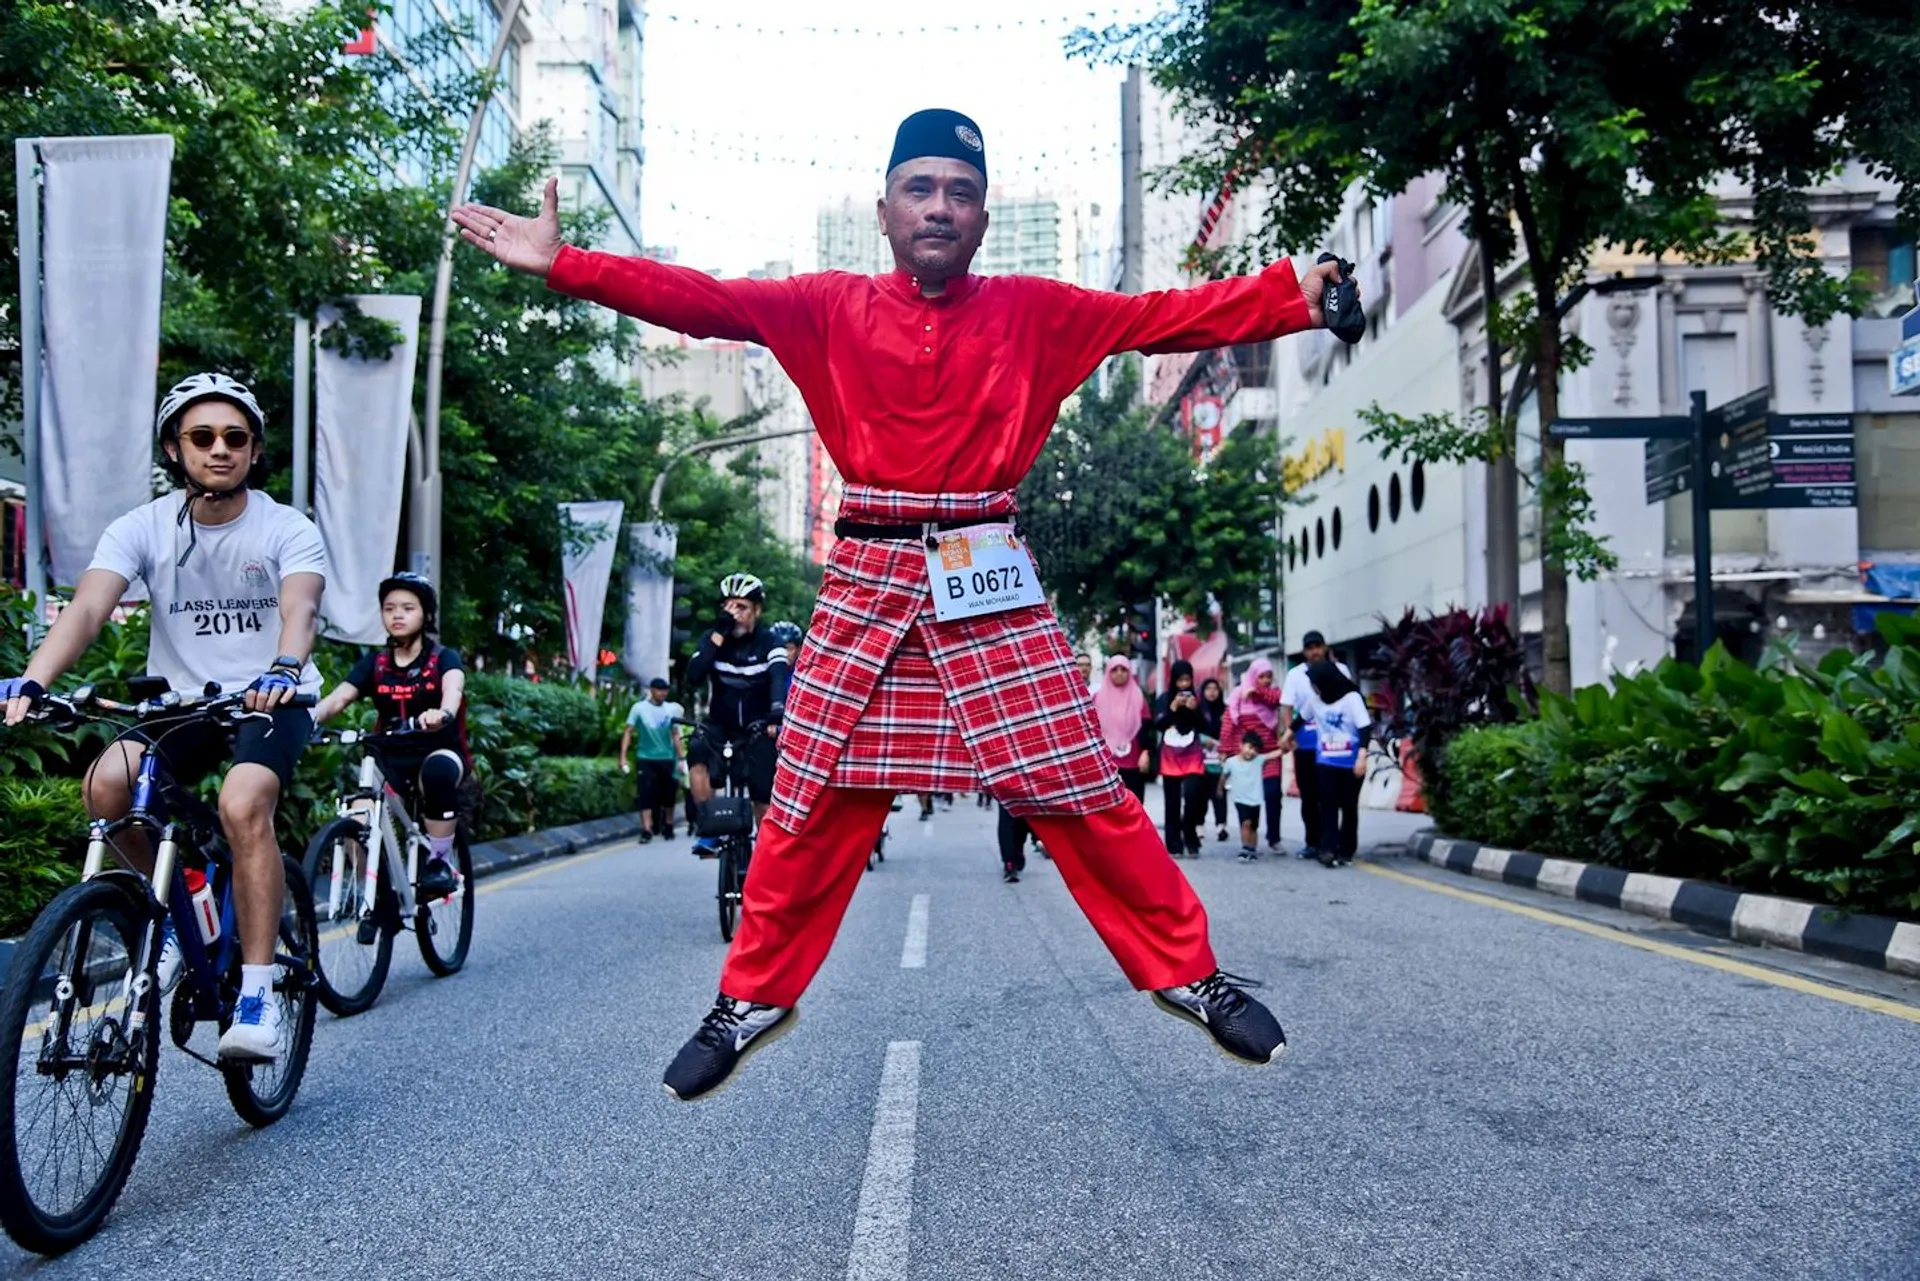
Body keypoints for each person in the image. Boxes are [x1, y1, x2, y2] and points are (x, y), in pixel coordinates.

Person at [454, 106, 1354, 1101]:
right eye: (920, 189)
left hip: (983, 562)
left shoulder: (1039, 310)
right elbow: (700, 298)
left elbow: (1162, 319)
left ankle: (1189, 975)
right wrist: (568, 262)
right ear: (885, 210)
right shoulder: (825, 304)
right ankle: (753, 995)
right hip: (872, 566)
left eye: (961, 193)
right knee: (809, 792)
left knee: (1081, 785)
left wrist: (1293, 296)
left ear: (983, 216)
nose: (940, 207)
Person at [1, 373, 326, 1063]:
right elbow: (88, 609)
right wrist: (34, 679)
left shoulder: (285, 526)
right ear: (174, 450)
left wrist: (285, 667)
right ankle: (193, 907)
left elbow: (300, 609)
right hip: (184, 704)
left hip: (272, 698)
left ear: (254, 450)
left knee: (243, 803)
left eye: (235, 438)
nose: (219, 449)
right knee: (106, 787)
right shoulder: (143, 527)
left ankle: (258, 993)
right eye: (201, 437)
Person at [315, 572, 470, 899]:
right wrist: (305, 719)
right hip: (390, 755)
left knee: (437, 774)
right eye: (389, 608)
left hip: (438, 748)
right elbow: (339, 698)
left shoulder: (444, 658)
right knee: (359, 814)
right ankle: (375, 894)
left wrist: (442, 714)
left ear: (426, 614)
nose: (397, 615)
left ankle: (438, 863)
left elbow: (453, 690)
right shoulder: (376, 663)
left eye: (407, 608)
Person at [685, 573, 790, 854]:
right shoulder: (714, 640)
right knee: (695, 748)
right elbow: (694, 675)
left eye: (741, 607)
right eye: (728, 607)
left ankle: (766, 854)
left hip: (758, 727)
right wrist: (718, 633)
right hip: (721, 725)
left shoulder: (770, 642)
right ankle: (709, 829)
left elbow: (778, 678)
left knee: (762, 794)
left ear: (757, 610)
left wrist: (776, 713)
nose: (734, 614)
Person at [1278, 631, 1353, 860]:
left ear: (1325, 647)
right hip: (1306, 745)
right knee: (1309, 796)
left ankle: (1332, 843)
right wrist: (1292, 735)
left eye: (1318, 647)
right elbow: (1288, 708)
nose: (1314, 652)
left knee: (1332, 796)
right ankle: (1312, 841)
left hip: (1336, 747)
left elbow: (1351, 702)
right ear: (1304, 651)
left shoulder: (1341, 670)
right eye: (1310, 648)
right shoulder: (1295, 675)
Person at [1302, 661, 1371, 867]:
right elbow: (1301, 719)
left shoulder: (1352, 699)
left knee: (1349, 807)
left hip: (1350, 762)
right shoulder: (1315, 701)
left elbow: (1365, 728)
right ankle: (1327, 848)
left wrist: (1362, 756)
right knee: (1328, 806)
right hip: (1326, 761)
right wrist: (1288, 734)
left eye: (1315, 682)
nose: (1313, 687)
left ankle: (1347, 849)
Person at [1219, 659, 1285, 852]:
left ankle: (1274, 838)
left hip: (1269, 755)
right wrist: (1225, 748)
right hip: (1246, 757)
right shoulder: (1239, 694)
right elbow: (1229, 723)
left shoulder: (1273, 693)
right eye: (1261, 676)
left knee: (1273, 794)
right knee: (1246, 799)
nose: (1265, 680)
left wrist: (1257, 693)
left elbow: (1277, 701)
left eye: (1268, 676)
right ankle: (1248, 840)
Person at [1154, 660, 1210, 857]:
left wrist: (1194, 710)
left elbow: (1206, 726)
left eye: (1187, 680)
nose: (1184, 685)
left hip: (1192, 753)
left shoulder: (1197, 699)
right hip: (1170, 754)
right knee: (1172, 802)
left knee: (1194, 796)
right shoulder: (1163, 698)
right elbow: (1158, 724)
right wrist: (1173, 708)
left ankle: (1190, 835)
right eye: (1180, 681)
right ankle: (1173, 844)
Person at [618, 677, 685, 843]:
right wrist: (623, 757)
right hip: (646, 758)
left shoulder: (671, 710)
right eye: (659, 690)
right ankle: (646, 829)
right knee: (646, 793)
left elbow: (675, 734)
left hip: (667, 758)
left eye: (665, 690)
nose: (662, 693)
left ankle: (668, 825)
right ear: (652, 690)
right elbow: (628, 731)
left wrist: (682, 758)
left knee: (669, 793)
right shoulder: (639, 709)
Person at [1093, 656, 1154, 800]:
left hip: (1133, 760)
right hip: (1106, 761)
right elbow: (1092, 730)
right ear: (1108, 672)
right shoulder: (1097, 699)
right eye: (1114, 670)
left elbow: (1145, 729)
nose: (1119, 673)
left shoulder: (1138, 697)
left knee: (1135, 801)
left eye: (1124, 669)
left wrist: (1145, 753)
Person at [1218, 731, 1285, 860]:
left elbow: (1273, 755)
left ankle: (1252, 848)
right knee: (1246, 823)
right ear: (1241, 745)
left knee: (1254, 825)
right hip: (1240, 798)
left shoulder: (1258, 760)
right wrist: (1220, 789)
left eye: (1255, 749)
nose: (1251, 752)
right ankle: (1245, 848)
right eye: (1249, 747)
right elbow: (1224, 776)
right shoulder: (1231, 762)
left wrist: (1286, 746)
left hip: (1255, 799)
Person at [1198, 677, 1230, 842]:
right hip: (1200, 758)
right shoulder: (1197, 710)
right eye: (1208, 688)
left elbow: (1231, 731)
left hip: (1219, 757)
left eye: (1215, 688)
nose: (1212, 692)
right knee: (1200, 793)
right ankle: (1199, 825)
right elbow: (1192, 730)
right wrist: (1204, 739)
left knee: (1219, 791)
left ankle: (1221, 825)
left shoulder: (1225, 710)